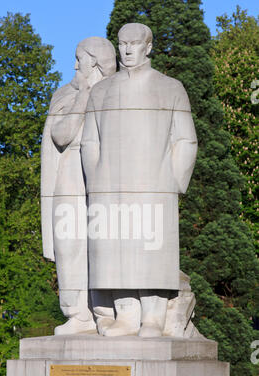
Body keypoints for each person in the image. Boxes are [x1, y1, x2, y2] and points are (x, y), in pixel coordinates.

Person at [81, 23, 198, 337]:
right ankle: (127, 316)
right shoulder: (101, 91)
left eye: (135, 43)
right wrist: (96, 181)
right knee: (115, 251)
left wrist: (172, 182)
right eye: (122, 43)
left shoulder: (170, 87)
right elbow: (90, 142)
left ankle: (153, 318)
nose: (128, 49)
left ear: (148, 46)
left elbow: (186, 140)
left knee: (151, 252)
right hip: (109, 186)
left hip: (155, 183)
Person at [41, 37, 116, 335]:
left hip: (108, 173)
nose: (74, 65)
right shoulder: (65, 94)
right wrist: (84, 95)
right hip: (71, 172)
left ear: (94, 61)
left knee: (107, 243)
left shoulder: (117, 91)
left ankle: (108, 311)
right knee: (70, 242)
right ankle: (77, 314)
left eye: (78, 58)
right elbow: (61, 135)